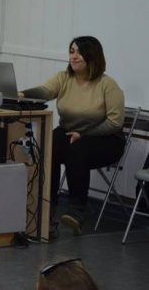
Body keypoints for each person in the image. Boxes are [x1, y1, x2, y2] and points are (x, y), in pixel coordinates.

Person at [20, 36, 125, 236]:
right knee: (49, 144)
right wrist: (23, 94)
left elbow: (115, 123)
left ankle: (77, 211)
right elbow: (46, 91)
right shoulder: (64, 78)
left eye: (79, 52)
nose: (73, 57)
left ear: (92, 56)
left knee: (78, 148)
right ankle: (46, 209)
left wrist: (83, 134)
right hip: (71, 133)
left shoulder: (108, 85)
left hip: (106, 139)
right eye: (71, 52)